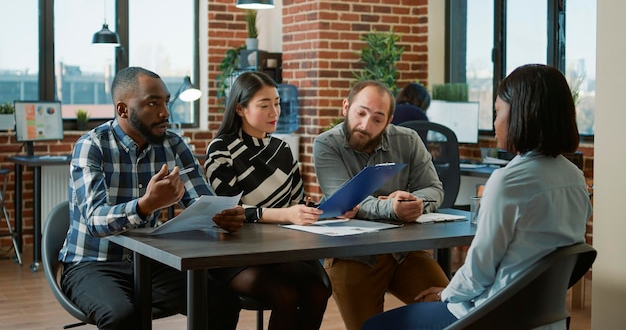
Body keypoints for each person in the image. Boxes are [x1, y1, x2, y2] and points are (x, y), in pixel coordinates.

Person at [361, 64, 593, 330]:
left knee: (374, 326)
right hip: (546, 319)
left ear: (522, 115)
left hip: (492, 318)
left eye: (497, 112)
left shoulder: (508, 182)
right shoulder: (575, 177)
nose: (495, 123)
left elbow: (479, 272)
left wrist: (444, 294)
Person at [58, 66, 245, 330]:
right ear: (123, 110)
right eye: (152, 103)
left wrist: (222, 216)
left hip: (147, 262)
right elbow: (94, 221)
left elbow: (203, 203)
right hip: (91, 263)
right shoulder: (92, 145)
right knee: (123, 317)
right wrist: (146, 205)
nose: (165, 113)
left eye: (166, 102)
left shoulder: (174, 145)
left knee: (221, 301)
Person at [312, 80, 450, 330]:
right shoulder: (326, 144)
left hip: (404, 250)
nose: (365, 125)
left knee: (453, 314)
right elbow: (345, 198)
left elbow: (433, 188)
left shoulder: (408, 140)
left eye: (377, 119)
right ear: (346, 107)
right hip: (352, 255)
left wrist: (416, 202)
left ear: (389, 120)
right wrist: (391, 208)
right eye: (360, 113)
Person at [204, 71, 332, 330]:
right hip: (236, 253)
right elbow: (228, 210)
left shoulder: (283, 149)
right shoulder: (221, 148)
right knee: (285, 296)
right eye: (265, 105)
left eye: (277, 103)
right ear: (240, 108)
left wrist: (322, 209)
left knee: (319, 290)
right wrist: (285, 215)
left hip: (281, 249)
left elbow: (296, 202)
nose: (275, 111)